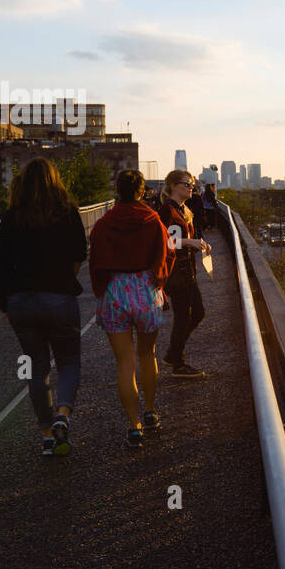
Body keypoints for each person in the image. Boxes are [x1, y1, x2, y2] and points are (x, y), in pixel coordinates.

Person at [0, 157, 87, 456]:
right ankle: (63, 415)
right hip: (59, 298)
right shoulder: (67, 212)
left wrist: (5, 302)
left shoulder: (11, 217)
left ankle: (47, 434)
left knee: (36, 368)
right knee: (69, 361)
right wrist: (62, 280)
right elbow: (79, 255)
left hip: (21, 301)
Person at [88, 170, 170, 448]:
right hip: (145, 290)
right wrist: (158, 283)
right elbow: (164, 256)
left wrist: (102, 291)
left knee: (125, 363)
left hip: (115, 293)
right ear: (142, 191)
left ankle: (134, 425)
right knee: (148, 354)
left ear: (117, 190)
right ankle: (150, 411)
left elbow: (96, 261)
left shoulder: (103, 224)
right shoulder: (152, 220)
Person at [157, 169, 211, 377]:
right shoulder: (166, 211)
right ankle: (177, 361)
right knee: (185, 315)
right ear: (172, 186)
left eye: (192, 184)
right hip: (176, 272)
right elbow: (165, 242)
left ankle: (174, 355)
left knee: (195, 313)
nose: (191, 188)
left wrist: (200, 244)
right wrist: (190, 242)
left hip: (186, 270)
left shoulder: (181, 209)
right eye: (187, 184)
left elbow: (178, 239)